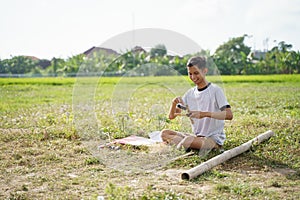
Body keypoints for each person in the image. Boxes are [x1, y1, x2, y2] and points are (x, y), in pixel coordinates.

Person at [161, 56, 233, 151]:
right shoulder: (190, 93)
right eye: (190, 74)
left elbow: (229, 115)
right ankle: (189, 144)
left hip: (212, 139)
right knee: (164, 133)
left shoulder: (216, 90)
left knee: (187, 141)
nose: (193, 77)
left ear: (204, 71)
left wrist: (204, 114)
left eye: (196, 73)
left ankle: (210, 146)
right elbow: (171, 116)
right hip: (196, 137)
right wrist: (173, 103)